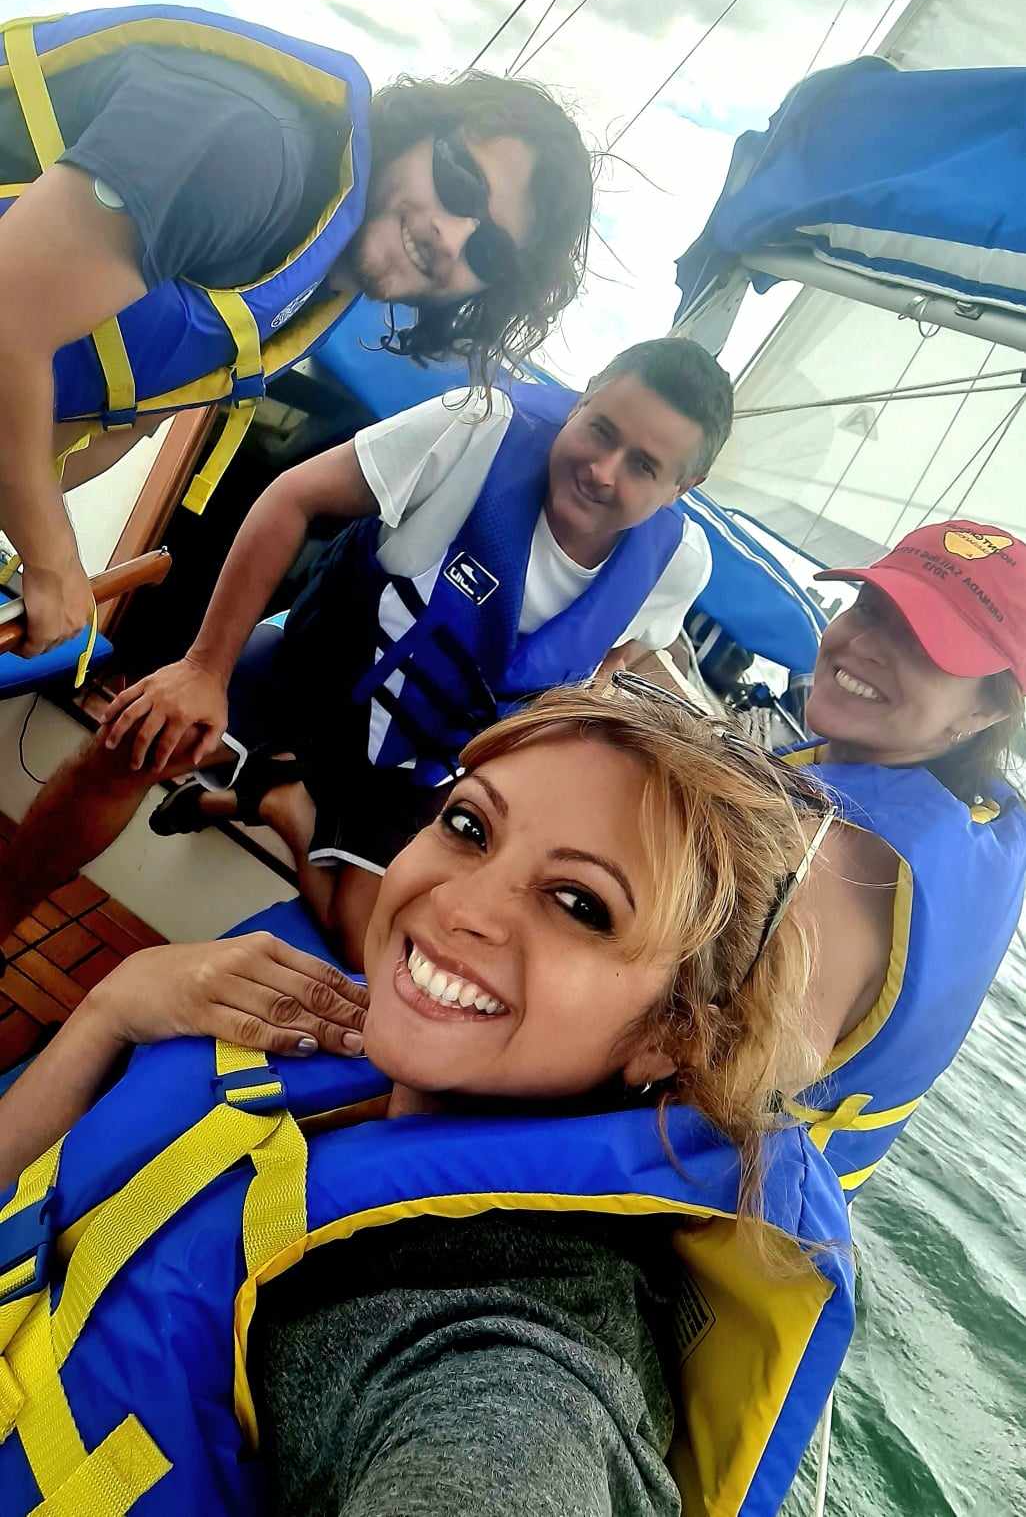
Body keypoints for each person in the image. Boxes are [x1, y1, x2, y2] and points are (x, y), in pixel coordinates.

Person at [0, 682, 851, 1517]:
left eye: (579, 904)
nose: (460, 905)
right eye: (470, 827)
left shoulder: (510, 1366)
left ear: (668, 1035)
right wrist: (111, 1008)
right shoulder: (349, 1053)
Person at [0, 337, 733, 960]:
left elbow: (613, 666)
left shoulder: (677, 565)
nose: (603, 470)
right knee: (132, 743)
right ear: (583, 398)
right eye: (601, 430)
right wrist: (204, 668)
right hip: (312, 672)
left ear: (683, 486)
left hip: (419, 760)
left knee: (372, 946)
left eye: (643, 466)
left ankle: (279, 800)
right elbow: (294, 496)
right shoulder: (476, 425)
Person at [0, 5, 593, 656]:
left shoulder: (303, 293)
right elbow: (7, 318)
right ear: (425, 128)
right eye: (461, 184)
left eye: (490, 255)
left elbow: (124, 423)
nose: (450, 238)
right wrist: (51, 557)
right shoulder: (251, 149)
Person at [790, 518, 1026, 1197]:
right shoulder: (978, 817)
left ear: (984, 713)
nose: (864, 645)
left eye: (924, 643)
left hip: (678, 1217)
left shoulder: (843, 863)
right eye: (871, 608)